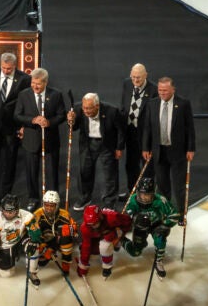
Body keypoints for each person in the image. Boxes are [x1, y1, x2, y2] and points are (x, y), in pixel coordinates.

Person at [141, 77, 195, 224]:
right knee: (163, 186)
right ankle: (165, 213)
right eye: (160, 90)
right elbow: (147, 128)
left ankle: (181, 215)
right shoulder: (152, 104)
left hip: (178, 152)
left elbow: (190, 128)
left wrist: (191, 148)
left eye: (165, 90)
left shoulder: (183, 104)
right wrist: (145, 147)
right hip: (159, 151)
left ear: (173, 90)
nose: (162, 93)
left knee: (179, 186)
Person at [0, 53, 30, 207]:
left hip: (12, 126)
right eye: (4, 68)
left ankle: (6, 195)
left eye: (9, 69)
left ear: (15, 66)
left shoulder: (24, 79)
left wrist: (23, 126)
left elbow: (25, 103)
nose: (6, 71)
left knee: (9, 163)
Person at [13, 67, 67, 200]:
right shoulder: (24, 94)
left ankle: (52, 200)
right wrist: (32, 120)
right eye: (33, 82)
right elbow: (17, 115)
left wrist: (49, 122)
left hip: (50, 141)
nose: (35, 86)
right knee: (31, 173)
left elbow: (61, 115)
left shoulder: (56, 95)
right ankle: (33, 198)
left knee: (51, 173)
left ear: (45, 82)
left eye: (38, 83)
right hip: (30, 140)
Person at [66, 93, 125, 211]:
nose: (85, 111)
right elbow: (74, 127)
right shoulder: (77, 109)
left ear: (97, 106)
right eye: (84, 108)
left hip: (107, 144)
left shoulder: (112, 111)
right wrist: (70, 120)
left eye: (89, 108)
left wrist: (119, 147)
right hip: (88, 144)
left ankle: (109, 201)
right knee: (84, 171)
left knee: (109, 173)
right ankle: (85, 197)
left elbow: (121, 130)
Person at [121, 177, 178, 278]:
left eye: (148, 194)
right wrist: (135, 218)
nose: (144, 197)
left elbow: (175, 214)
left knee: (160, 239)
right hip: (140, 227)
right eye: (142, 194)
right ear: (138, 192)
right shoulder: (132, 200)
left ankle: (159, 262)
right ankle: (121, 240)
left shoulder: (161, 200)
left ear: (153, 193)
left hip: (156, 225)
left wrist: (165, 224)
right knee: (135, 252)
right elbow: (127, 213)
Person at [25, 190, 78, 286]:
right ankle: (33, 271)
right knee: (41, 260)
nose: (48, 208)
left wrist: (69, 230)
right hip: (44, 241)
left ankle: (65, 269)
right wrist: (45, 247)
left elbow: (75, 229)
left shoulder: (64, 214)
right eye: (46, 205)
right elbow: (33, 233)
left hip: (59, 241)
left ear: (57, 205)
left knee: (66, 238)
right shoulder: (37, 214)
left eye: (51, 205)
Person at [120, 63, 157, 198]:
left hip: (145, 134)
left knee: (147, 166)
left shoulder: (154, 90)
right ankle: (132, 192)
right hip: (130, 131)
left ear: (145, 76)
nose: (136, 81)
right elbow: (124, 104)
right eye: (134, 77)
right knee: (131, 164)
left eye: (139, 78)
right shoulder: (127, 84)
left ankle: (147, 194)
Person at [77, 204, 131, 279]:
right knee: (88, 249)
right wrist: (83, 265)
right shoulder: (85, 228)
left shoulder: (112, 217)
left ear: (101, 217)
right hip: (99, 236)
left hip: (112, 234)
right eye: (91, 225)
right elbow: (86, 246)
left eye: (95, 223)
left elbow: (128, 222)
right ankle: (113, 244)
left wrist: (120, 235)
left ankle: (107, 266)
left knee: (104, 246)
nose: (93, 226)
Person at [0, 193, 32, 278]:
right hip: (5, 246)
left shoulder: (26, 215)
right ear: (1, 209)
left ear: (17, 210)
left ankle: (33, 272)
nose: (8, 214)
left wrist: (34, 241)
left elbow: (35, 230)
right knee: (6, 275)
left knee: (33, 247)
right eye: (5, 211)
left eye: (11, 212)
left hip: (20, 240)